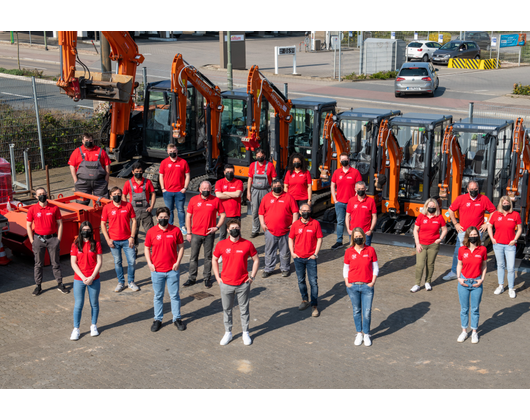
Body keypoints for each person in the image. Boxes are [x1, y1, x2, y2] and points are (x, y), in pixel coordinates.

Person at [212, 219, 260, 346]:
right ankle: (228, 332)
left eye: (237, 227)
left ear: (240, 229)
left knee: (244, 309)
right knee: (227, 309)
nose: (235, 230)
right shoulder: (221, 244)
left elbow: (256, 259)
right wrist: (217, 277)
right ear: (227, 230)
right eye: (232, 227)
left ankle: (245, 332)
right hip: (226, 284)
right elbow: (214, 259)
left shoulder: (247, 244)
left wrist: (252, 277)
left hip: (243, 283)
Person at [444, 181, 495, 281]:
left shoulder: (483, 199)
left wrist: (488, 223)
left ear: (478, 189)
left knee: (475, 253)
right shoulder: (461, 198)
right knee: (458, 251)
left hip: (477, 232)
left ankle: (474, 273)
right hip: (463, 232)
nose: (473, 191)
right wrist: (455, 224)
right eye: (471, 189)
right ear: (467, 189)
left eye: (475, 189)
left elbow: (493, 211)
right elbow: (450, 210)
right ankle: (454, 272)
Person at [145, 207, 186, 333]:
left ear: (169, 217)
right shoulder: (151, 232)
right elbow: (147, 248)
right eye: (161, 217)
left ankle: (177, 318)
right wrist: (149, 264)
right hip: (157, 270)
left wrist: (178, 262)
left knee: (174, 295)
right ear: (156, 218)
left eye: (165, 217)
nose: (163, 219)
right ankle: (157, 319)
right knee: (158, 296)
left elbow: (181, 247)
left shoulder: (175, 230)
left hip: (172, 270)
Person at [26, 187, 68, 296]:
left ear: (46, 194)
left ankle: (60, 283)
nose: (42, 195)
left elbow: (60, 224)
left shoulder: (54, 208)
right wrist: (31, 240)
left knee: (55, 263)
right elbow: (28, 225)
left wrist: (58, 239)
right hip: (38, 239)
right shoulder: (32, 209)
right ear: (36, 197)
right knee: (38, 264)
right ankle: (38, 286)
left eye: (43, 193)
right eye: (39, 194)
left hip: (52, 239)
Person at [185, 181, 226, 289]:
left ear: (211, 189)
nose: (206, 190)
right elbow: (188, 216)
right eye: (204, 188)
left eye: (208, 188)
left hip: (209, 234)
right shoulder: (193, 200)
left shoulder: (216, 200)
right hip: (195, 234)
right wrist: (188, 232)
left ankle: (207, 278)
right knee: (193, 257)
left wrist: (217, 227)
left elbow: (223, 215)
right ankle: (192, 278)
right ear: (199, 189)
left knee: (208, 257)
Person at [343, 228, 379, 347]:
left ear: (363, 237)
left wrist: (373, 282)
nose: (358, 238)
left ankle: (367, 334)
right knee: (356, 310)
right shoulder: (349, 251)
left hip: (367, 286)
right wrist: (347, 282)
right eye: (356, 236)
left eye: (360, 236)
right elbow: (346, 268)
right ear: (353, 238)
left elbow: (375, 267)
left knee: (367, 312)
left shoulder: (370, 250)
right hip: (353, 286)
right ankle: (359, 333)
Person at [101, 187, 139, 293]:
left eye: (118, 193)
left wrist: (132, 236)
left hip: (127, 240)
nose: (116, 195)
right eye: (114, 194)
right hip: (114, 241)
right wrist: (107, 239)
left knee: (131, 262)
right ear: (110, 195)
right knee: (118, 262)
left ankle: (131, 282)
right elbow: (103, 224)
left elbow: (134, 221)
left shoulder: (128, 205)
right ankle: (121, 282)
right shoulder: (107, 208)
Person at [259, 178, 299, 278]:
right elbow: (260, 213)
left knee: (285, 251)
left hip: (285, 231)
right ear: (272, 187)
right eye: (275, 186)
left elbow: (295, 212)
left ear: (282, 186)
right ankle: (268, 269)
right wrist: (262, 224)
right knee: (269, 251)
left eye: (279, 186)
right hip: (270, 231)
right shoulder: (266, 197)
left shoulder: (289, 197)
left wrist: (294, 224)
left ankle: (285, 268)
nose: (277, 188)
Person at [70, 221, 103, 341]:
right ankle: (76, 329)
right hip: (79, 279)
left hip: (94, 279)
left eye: (88, 229)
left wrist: (92, 277)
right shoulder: (75, 245)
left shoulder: (96, 244)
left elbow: (99, 262)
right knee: (78, 305)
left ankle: (93, 326)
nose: (86, 232)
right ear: (80, 231)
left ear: (91, 231)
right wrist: (83, 277)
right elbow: (73, 263)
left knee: (94, 303)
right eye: (84, 229)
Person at [288, 203, 323, 317]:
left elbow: (319, 239)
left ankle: (314, 305)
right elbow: (290, 238)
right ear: (299, 211)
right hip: (298, 258)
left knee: (313, 282)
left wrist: (315, 254)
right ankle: (304, 300)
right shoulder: (295, 225)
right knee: (301, 280)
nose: (306, 212)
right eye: (304, 210)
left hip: (310, 258)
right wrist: (292, 253)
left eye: (308, 211)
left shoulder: (315, 224)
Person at [456, 227, 488, 344]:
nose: (473, 236)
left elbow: (484, 266)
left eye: (475, 235)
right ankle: (464, 331)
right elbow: (459, 264)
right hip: (464, 282)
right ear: (467, 236)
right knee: (464, 309)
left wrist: (482, 279)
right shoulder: (462, 250)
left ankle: (474, 332)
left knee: (475, 309)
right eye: (471, 234)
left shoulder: (482, 249)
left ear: (478, 236)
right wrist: (459, 278)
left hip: (476, 283)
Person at [487, 196, 523, 299]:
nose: (505, 204)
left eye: (507, 203)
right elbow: (489, 225)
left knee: (511, 268)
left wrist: (515, 239)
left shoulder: (515, 215)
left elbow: (520, 229)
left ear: (510, 204)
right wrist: (492, 238)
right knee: (500, 265)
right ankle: (501, 286)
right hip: (497, 244)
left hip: (510, 245)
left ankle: (511, 288)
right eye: (504, 203)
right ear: (500, 204)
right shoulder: (495, 214)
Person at [412, 198, 448, 293]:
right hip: (422, 244)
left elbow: (444, 229)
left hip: (433, 245)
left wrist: (440, 239)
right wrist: (417, 243)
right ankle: (417, 284)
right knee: (420, 264)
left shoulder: (439, 217)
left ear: (436, 207)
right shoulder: (421, 216)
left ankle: (428, 282)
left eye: (433, 206)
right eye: (430, 206)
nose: (431, 208)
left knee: (430, 264)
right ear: (426, 207)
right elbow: (415, 230)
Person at [68, 133, 111, 206]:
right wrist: (75, 180)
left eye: (90, 140)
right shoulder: (77, 151)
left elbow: (107, 165)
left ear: (93, 141)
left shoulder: (100, 151)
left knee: (103, 204)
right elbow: (71, 165)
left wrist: (106, 180)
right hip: (82, 184)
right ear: (83, 141)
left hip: (99, 183)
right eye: (86, 140)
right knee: (81, 205)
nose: (89, 142)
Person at [331, 153, 362, 250]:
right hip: (340, 202)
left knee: (352, 222)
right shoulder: (337, 172)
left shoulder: (355, 172)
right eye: (342, 159)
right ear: (340, 161)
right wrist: (334, 199)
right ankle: (339, 241)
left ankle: (351, 242)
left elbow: (359, 186)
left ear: (349, 160)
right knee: (340, 222)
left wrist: (355, 199)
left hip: (351, 203)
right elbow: (332, 185)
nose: (344, 161)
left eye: (346, 159)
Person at [123, 162, 156, 248]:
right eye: (137, 171)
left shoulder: (147, 182)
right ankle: (134, 249)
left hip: (146, 211)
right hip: (133, 212)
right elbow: (123, 195)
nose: (139, 173)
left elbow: (153, 193)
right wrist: (127, 207)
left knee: (150, 231)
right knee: (134, 232)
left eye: (140, 171)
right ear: (133, 172)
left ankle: (152, 248)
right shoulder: (128, 183)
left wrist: (152, 206)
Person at [159, 144, 191, 232]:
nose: (172, 153)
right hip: (168, 192)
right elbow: (161, 176)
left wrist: (185, 188)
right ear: (167, 152)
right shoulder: (164, 162)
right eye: (170, 151)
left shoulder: (183, 162)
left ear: (177, 151)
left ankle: (182, 226)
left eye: (174, 151)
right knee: (169, 210)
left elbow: (187, 175)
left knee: (180, 210)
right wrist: (163, 189)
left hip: (180, 191)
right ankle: (170, 225)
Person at [247, 148, 277, 238]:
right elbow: (250, 179)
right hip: (255, 190)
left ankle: (267, 230)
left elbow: (274, 179)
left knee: (267, 211)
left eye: (262, 156)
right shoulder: (252, 165)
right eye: (258, 156)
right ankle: (255, 230)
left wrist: (274, 191)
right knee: (255, 211)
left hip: (266, 191)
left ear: (265, 156)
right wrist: (248, 192)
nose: (260, 157)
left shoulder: (270, 165)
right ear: (255, 156)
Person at [215, 164, 244, 240]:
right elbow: (218, 195)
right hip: (223, 214)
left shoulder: (239, 182)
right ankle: (221, 251)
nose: (229, 173)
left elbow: (237, 194)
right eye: (228, 172)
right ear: (224, 172)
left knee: (237, 234)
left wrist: (225, 193)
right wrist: (232, 194)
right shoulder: (219, 182)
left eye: (231, 172)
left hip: (235, 214)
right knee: (222, 234)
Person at [346, 181, 377, 247]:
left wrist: (371, 230)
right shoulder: (351, 201)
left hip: (365, 232)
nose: (361, 190)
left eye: (362, 189)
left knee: (366, 251)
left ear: (366, 189)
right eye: (359, 189)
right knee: (353, 251)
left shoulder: (371, 201)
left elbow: (374, 216)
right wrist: (348, 229)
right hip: (353, 232)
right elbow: (347, 216)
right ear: (355, 189)